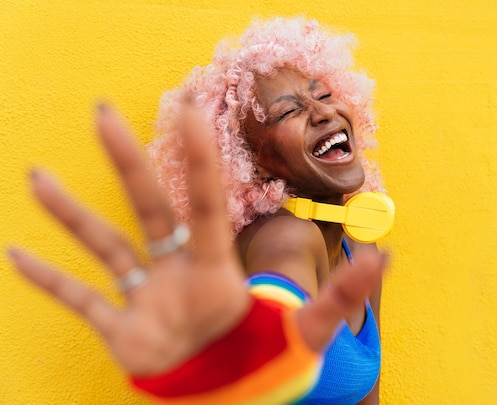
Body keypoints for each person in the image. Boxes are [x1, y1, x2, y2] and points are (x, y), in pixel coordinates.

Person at [7, 16, 391, 405]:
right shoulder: (286, 236)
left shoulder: (358, 244)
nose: (323, 113)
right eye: (287, 112)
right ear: (253, 162)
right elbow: (278, 305)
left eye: (323, 95)